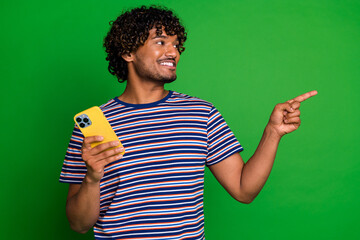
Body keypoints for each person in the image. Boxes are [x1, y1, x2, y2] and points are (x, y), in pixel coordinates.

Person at [59, 5, 317, 240]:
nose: (173, 52)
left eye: (176, 44)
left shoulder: (200, 113)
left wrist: (272, 132)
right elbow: (79, 224)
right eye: (160, 42)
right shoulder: (92, 124)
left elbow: (243, 190)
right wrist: (92, 178)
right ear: (128, 52)